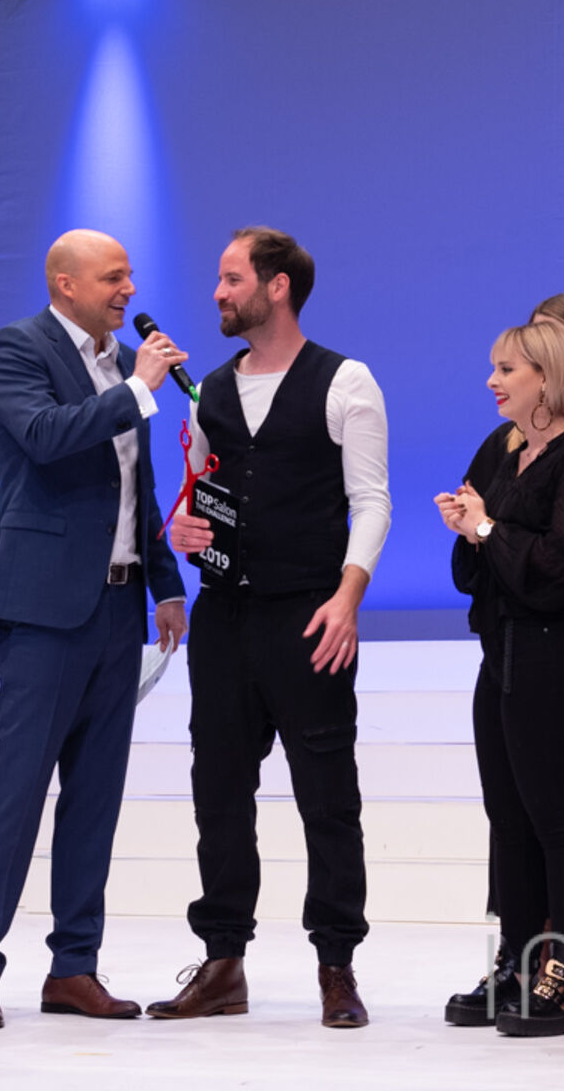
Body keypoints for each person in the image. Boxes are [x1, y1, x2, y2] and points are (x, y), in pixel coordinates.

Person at [0, 230, 189, 1029]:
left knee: (95, 798)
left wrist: (165, 584)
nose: (129, 290)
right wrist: (139, 388)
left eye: (130, 275)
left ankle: (74, 968)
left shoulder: (123, 365)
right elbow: (47, 437)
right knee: (18, 791)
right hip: (45, 608)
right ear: (66, 284)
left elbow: (136, 486)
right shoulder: (17, 348)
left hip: (120, 609)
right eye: (114, 277)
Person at [155, 226, 390, 1028]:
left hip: (310, 615)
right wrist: (183, 529)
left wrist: (348, 597)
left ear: (276, 285)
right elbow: (200, 496)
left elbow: (372, 501)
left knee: (328, 796)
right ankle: (223, 963)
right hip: (224, 618)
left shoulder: (346, 381)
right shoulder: (211, 393)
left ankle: (337, 966)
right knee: (219, 792)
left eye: (231, 279)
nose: (217, 293)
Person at [439, 292, 564, 1028]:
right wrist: (472, 532)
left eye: (507, 369)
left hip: (558, 661)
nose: (492, 381)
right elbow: (474, 574)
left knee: (560, 823)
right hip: (504, 656)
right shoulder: (509, 454)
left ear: (547, 380)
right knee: (511, 822)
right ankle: (517, 965)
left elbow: (555, 570)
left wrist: (488, 529)